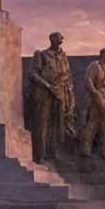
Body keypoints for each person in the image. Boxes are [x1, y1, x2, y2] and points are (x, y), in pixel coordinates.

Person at [29, 31, 74, 162]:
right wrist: (48, 86)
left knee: (58, 125)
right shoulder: (42, 55)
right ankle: (40, 154)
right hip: (45, 94)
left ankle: (55, 153)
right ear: (53, 39)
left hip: (60, 94)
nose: (62, 40)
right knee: (42, 123)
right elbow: (33, 74)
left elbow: (68, 74)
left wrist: (63, 82)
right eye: (59, 38)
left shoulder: (63, 56)